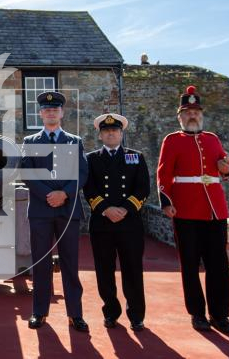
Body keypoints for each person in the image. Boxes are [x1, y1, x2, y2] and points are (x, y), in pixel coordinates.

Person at [157, 85, 229, 334]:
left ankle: (220, 314)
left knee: (218, 265)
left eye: (196, 111)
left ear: (201, 114)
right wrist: (166, 201)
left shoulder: (212, 139)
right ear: (179, 115)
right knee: (190, 265)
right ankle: (198, 313)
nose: (192, 115)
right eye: (187, 111)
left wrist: (227, 169)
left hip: (215, 210)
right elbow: (164, 173)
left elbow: (224, 167)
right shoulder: (172, 141)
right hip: (186, 211)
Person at [21, 91, 89, 332]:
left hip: (68, 210)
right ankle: (39, 312)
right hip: (40, 210)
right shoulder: (30, 143)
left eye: (55, 109)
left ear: (61, 113)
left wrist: (64, 194)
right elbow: (27, 173)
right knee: (41, 263)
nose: (51, 112)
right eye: (47, 109)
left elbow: (81, 173)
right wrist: (48, 195)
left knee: (71, 263)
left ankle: (75, 314)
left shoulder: (74, 141)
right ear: (40, 113)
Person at [83, 113, 150, 332]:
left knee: (132, 270)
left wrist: (125, 209)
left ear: (121, 133)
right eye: (106, 131)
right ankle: (111, 312)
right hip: (102, 224)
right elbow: (89, 188)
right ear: (101, 135)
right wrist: (106, 209)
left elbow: (143, 189)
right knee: (104, 270)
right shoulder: (91, 159)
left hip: (129, 223)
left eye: (114, 130)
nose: (110, 133)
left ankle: (136, 315)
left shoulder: (136, 157)